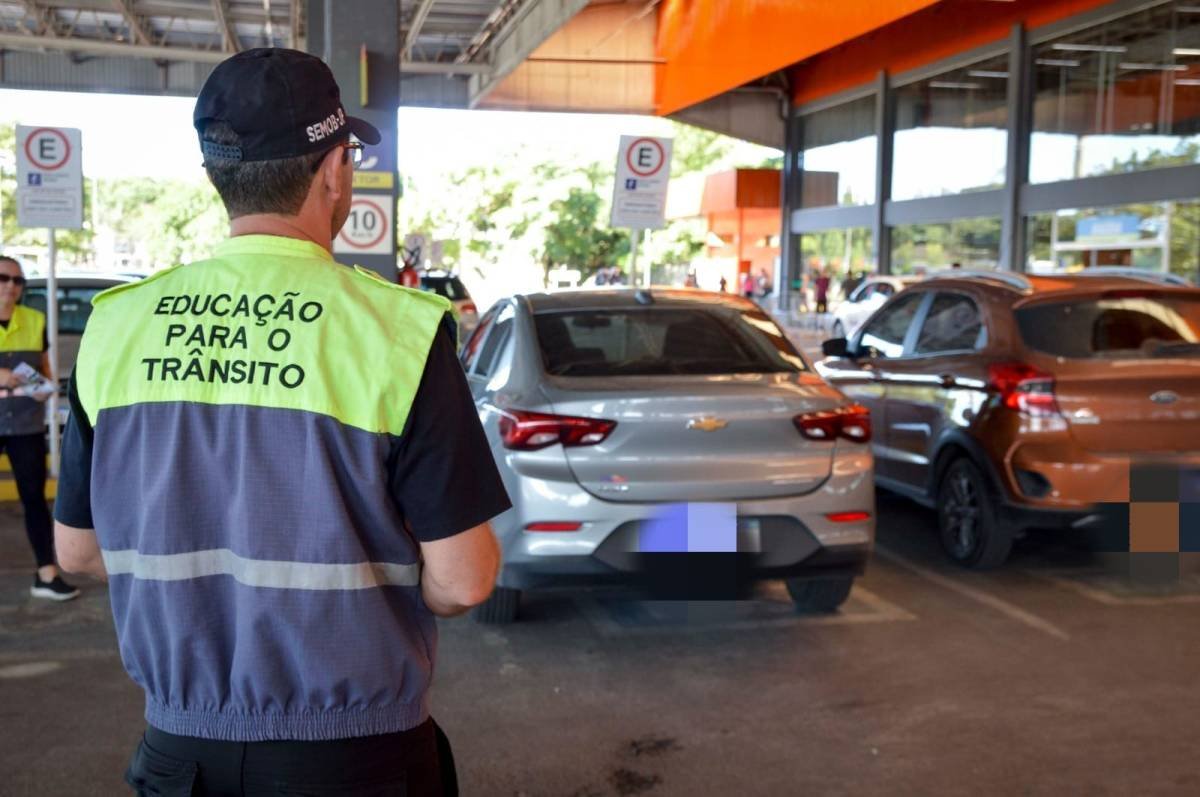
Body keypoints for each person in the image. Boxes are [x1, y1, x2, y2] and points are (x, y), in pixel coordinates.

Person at [53, 48, 508, 796]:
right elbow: (464, 580)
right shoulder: (397, 332)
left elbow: (77, 552)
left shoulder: (116, 326)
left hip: (179, 758)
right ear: (334, 171)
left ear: (216, 176)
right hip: (355, 757)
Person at [0, 256, 78, 602]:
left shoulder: (34, 319)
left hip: (25, 425)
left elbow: (45, 368)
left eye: (18, 280)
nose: (11, 286)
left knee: (34, 499)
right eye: (4, 278)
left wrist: (44, 386)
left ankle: (47, 573)